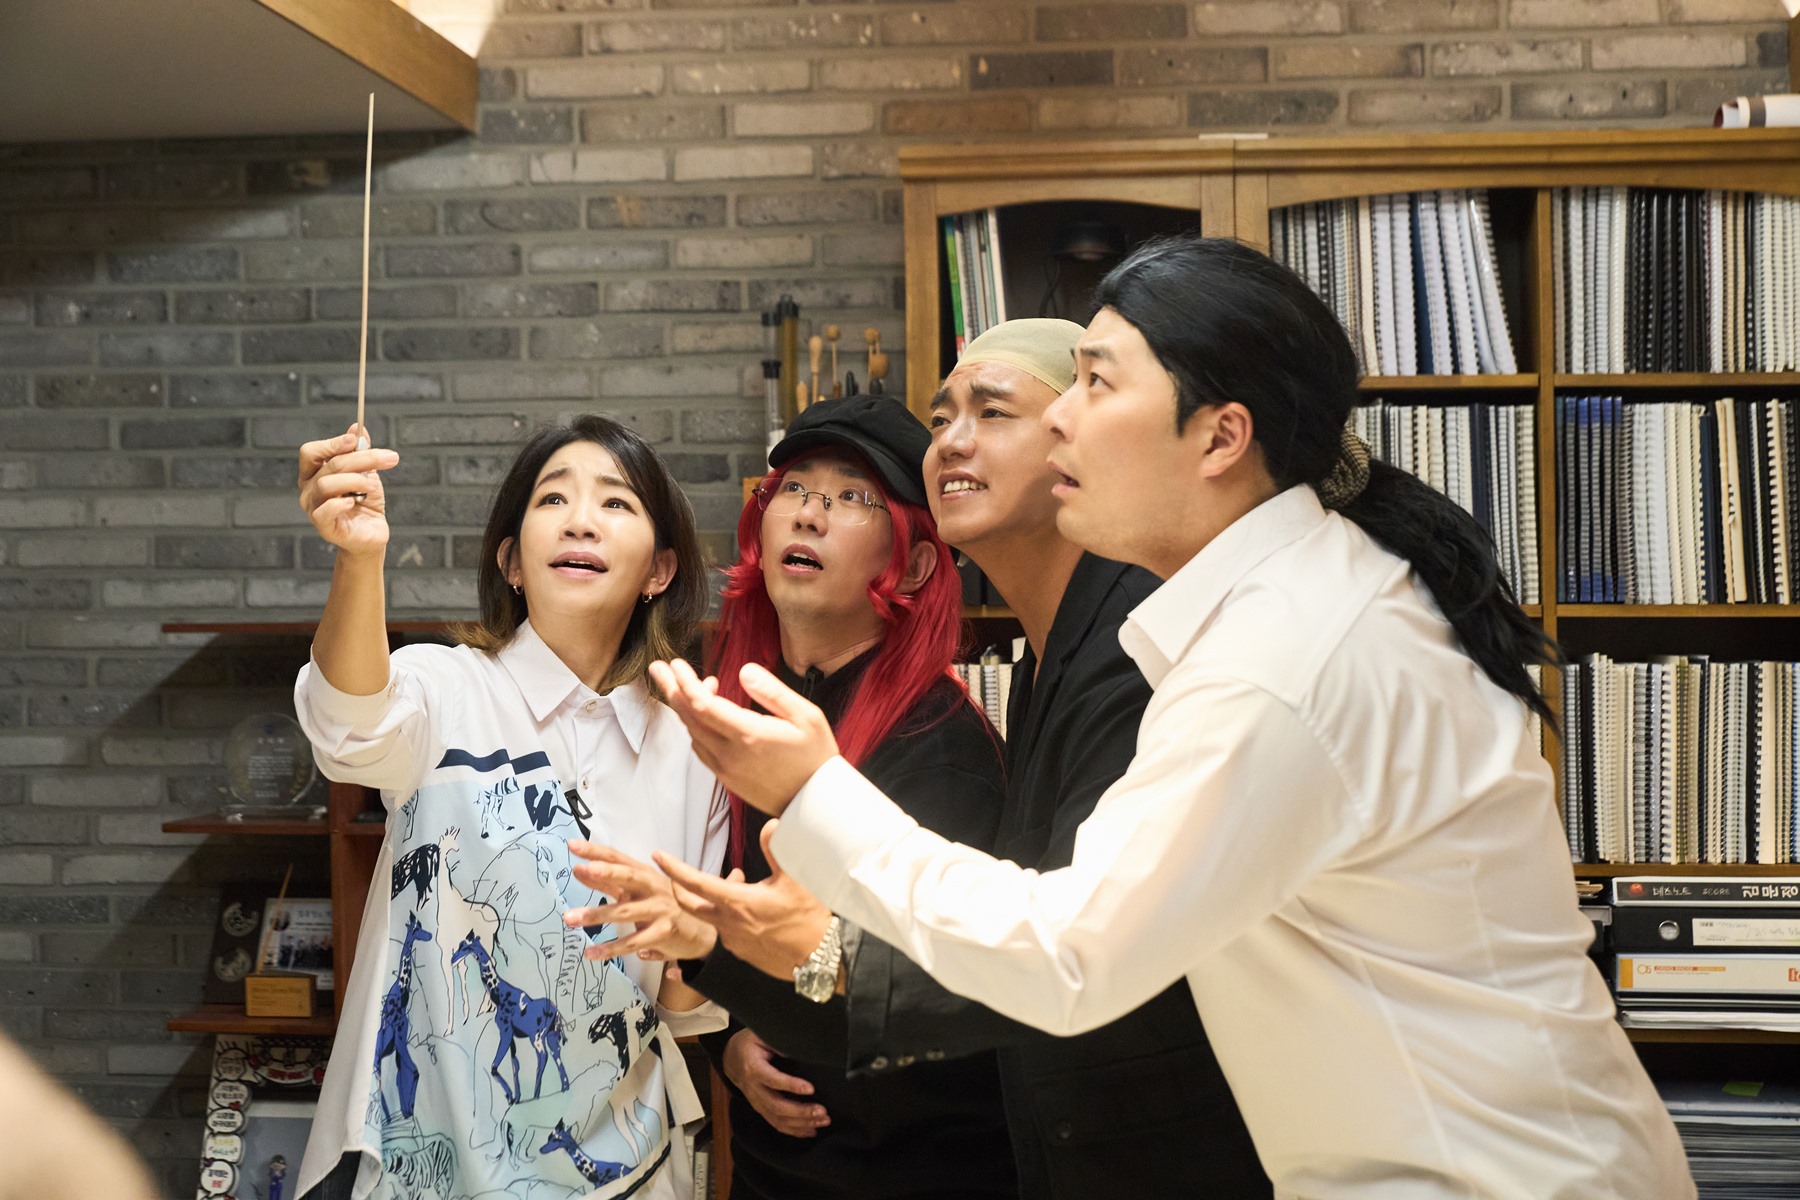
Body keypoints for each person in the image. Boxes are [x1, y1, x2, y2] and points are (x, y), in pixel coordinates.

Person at [649, 236, 1697, 1198]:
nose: (1061, 417)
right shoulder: (1280, 607)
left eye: (1096, 382)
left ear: (1219, 436)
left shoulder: (1283, 657)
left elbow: (1071, 955)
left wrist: (815, 794)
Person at [630, 321, 1269, 1198]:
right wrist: (732, 1003)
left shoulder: (1125, 659)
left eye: (992, 411)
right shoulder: (1055, 655)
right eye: (942, 418)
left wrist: (747, 935)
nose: (954, 441)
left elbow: (1035, 967)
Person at [565, 394, 1017, 1200]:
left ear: (914, 564)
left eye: (852, 497)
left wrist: (718, 962)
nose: (810, 513)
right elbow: (731, 919)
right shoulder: (740, 707)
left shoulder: (941, 746)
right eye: (795, 490)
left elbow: (912, 995)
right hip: (771, 1171)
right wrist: (730, 1043)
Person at [290, 416, 727, 1200]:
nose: (581, 520)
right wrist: (359, 558)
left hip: (622, 1170)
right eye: (553, 499)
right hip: (415, 1165)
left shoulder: (695, 743)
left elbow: (683, 1008)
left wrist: (697, 942)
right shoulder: (444, 688)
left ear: (660, 570)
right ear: (512, 561)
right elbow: (347, 730)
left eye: (616, 503)